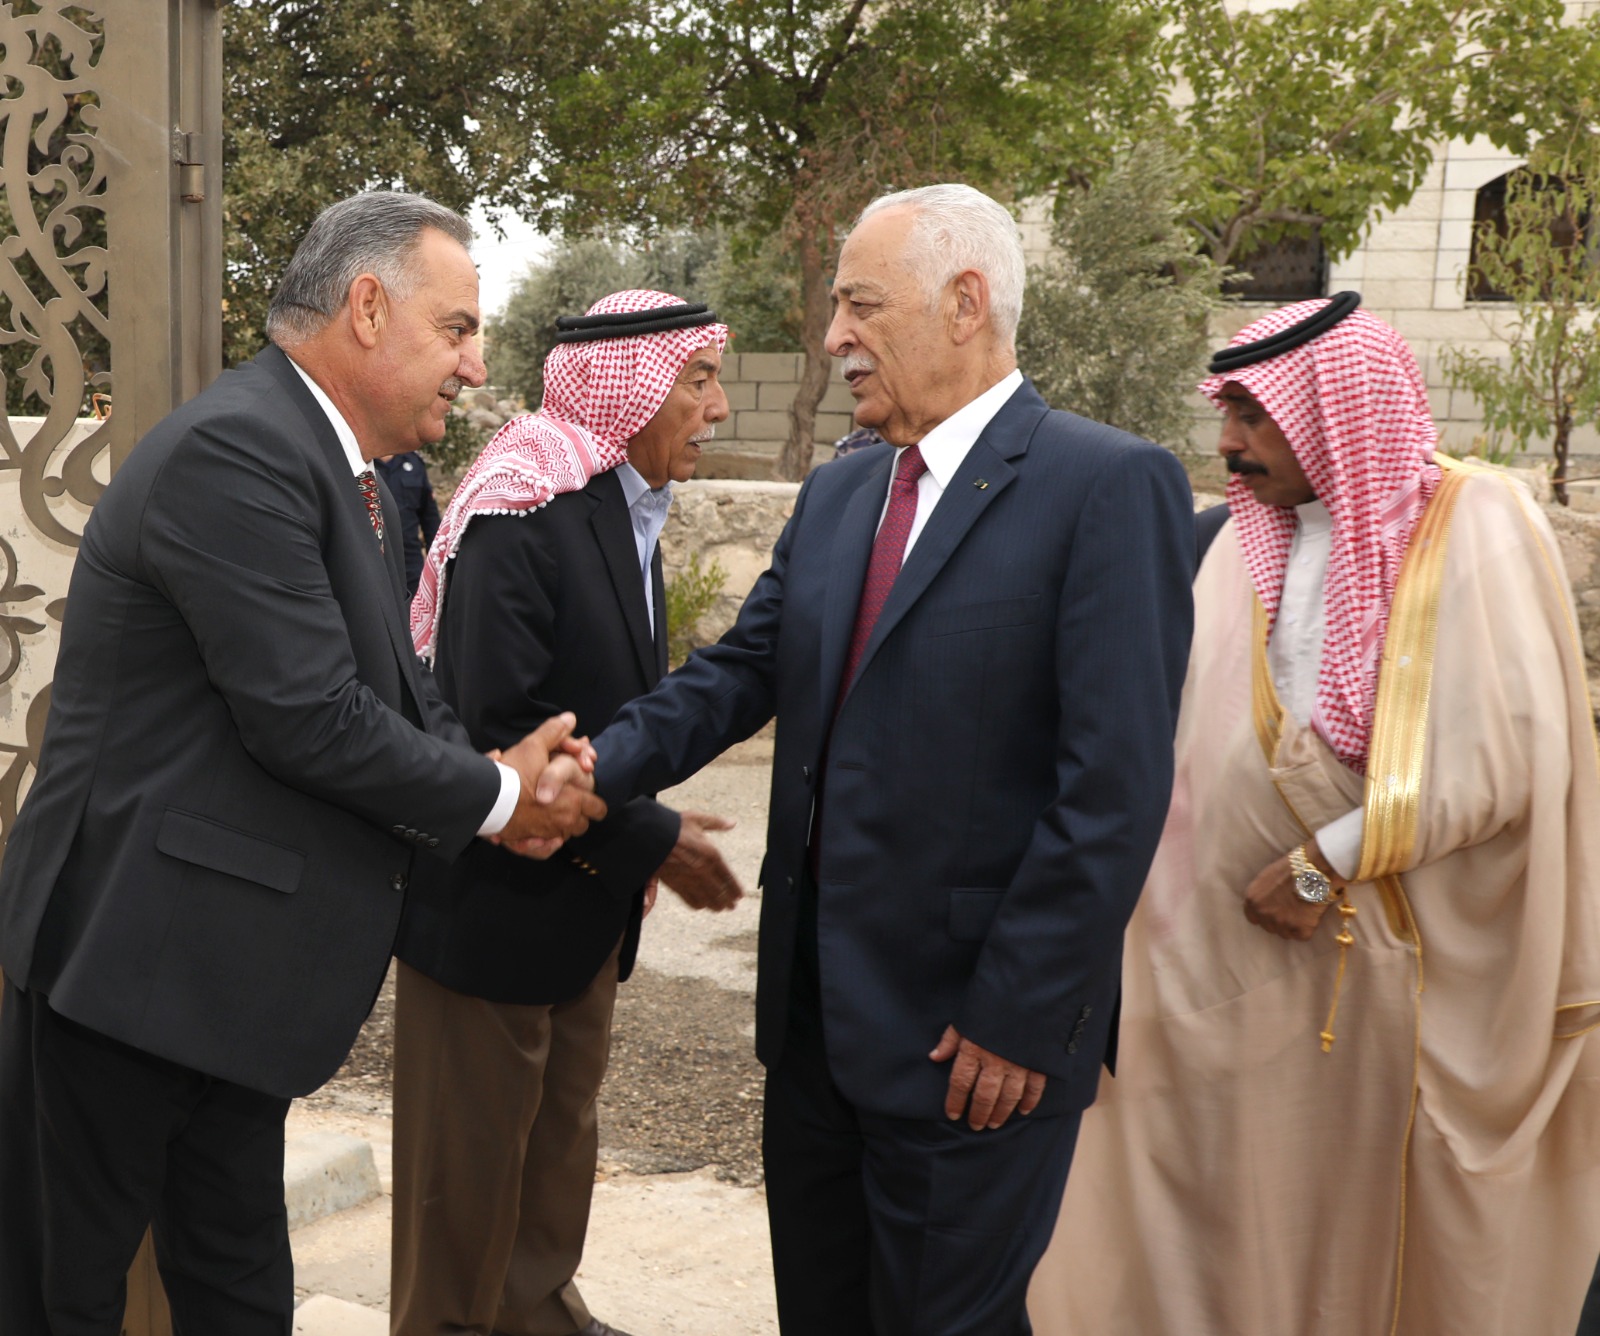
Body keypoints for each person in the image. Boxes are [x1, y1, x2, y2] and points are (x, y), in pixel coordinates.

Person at [543, 184, 1194, 1334]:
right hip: (814, 1037)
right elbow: (739, 671)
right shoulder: (841, 489)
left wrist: (1019, 1013)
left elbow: (1112, 788)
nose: (832, 335)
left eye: (859, 305)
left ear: (965, 303)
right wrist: (589, 767)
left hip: (971, 1045)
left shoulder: (1105, 485)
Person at [0, 191, 605, 1334]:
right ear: (367, 309)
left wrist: (497, 782)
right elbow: (309, 716)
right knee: (55, 1294)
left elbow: (396, 692)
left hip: (230, 988)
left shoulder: (343, 468)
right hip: (127, 970)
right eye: (457, 329)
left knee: (238, 1292)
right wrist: (499, 795)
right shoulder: (238, 448)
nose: (476, 367)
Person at [1030, 294, 1600, 1336]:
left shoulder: (1472, 522)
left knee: (1357, 1224)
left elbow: (1502, 748)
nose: (1228, 443)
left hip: (1391, 969)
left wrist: (1321, 861)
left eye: (1253, 414)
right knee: (1214, 1212)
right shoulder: (1232, 546)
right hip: (1216, 978)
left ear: (1338, 409)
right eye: (1226, 411)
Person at [390, 290, 745, 1336]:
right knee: (464, 1199)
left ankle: (541, 1316)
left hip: (582, 908)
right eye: (697, 380)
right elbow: (495, 734)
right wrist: (652, 839)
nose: (718, 407)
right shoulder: (524, 511)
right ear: (627, 388)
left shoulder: (619, 506)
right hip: (491, 914)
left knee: (549, 1169)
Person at [376, 450, 442, 596]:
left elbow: (430, 520)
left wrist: (437, 564)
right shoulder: (360, 465)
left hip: (410, 562)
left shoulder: (414, 462)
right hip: (375, 561)